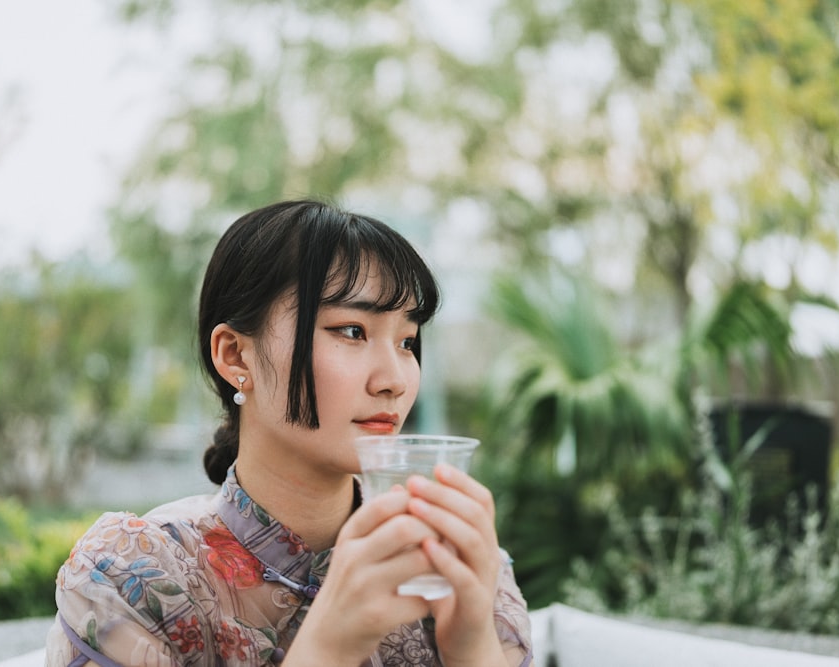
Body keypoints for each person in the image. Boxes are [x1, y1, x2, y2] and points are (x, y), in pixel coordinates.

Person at [46, 200, 533, 666]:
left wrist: (471, 647)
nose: (395, 381)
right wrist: (328, 648)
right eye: (352, 331)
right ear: (235, 356)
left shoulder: (456, 561)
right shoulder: (137, 578)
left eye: (407, 341)